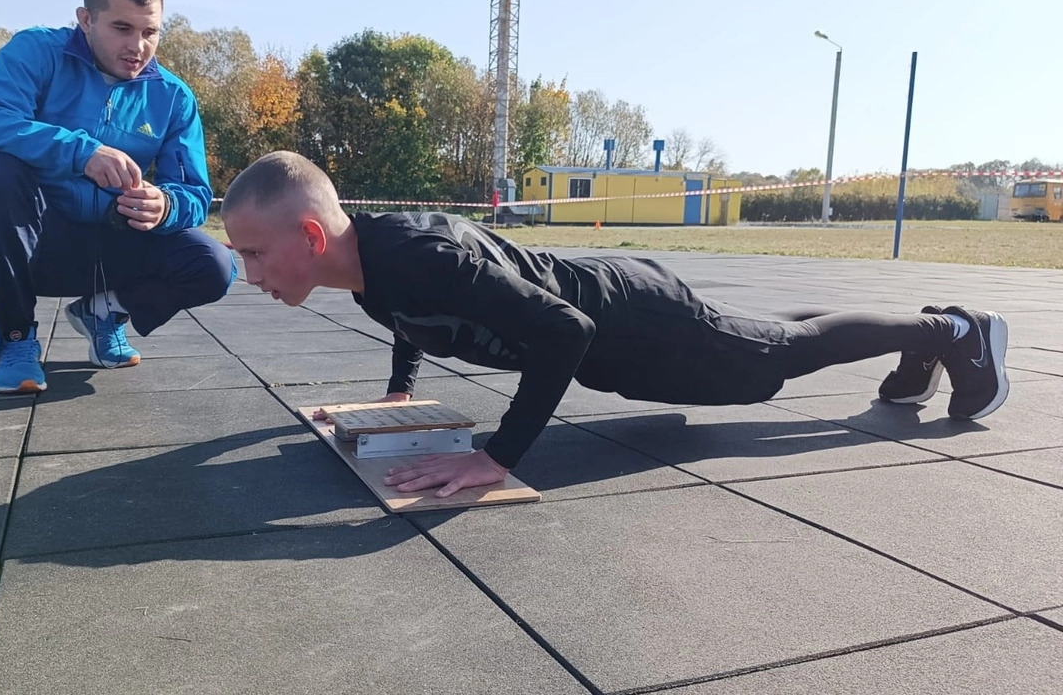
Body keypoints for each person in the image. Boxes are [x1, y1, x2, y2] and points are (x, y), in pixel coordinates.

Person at [220, 151, 1010, 498]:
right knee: (766, 335)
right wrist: (400, 391)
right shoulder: (366, 266)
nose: (251, 275)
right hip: (622, 325)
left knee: (774, 360)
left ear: (311, 237)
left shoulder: (416, 258)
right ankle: (922, 337)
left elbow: (564, 332)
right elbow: (407, 318)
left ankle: (955, 332)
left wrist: (495, 457)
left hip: (638, 320)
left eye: (254, 253)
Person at [0, 0, 236, 393]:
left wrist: (165, 205)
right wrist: (80, 151)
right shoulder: (37, 52)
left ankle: (103, 312)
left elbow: (195, 193)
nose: (137, 46)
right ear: (85, 19)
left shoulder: (173, 96)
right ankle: (16, 340)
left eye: (150, 32)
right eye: (122, 28)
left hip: (113, 242)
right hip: (37, 242)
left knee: (214, 264)